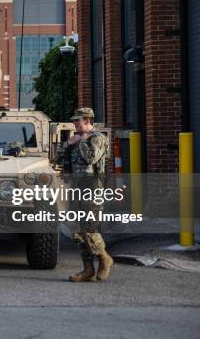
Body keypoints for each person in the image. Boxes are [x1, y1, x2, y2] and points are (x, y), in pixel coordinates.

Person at [54, 107, 113, 282]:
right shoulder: (76, 139)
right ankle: (88, 269)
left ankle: (104, 258)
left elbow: (91, 158)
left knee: (89, 228)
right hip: (75, 188)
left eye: (77, 120)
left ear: (87, 120)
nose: (74, 123)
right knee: (77, 231)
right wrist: (67, 144)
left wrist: (81, 142)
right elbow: (57, 160)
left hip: (92, 188)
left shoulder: (98, 138)